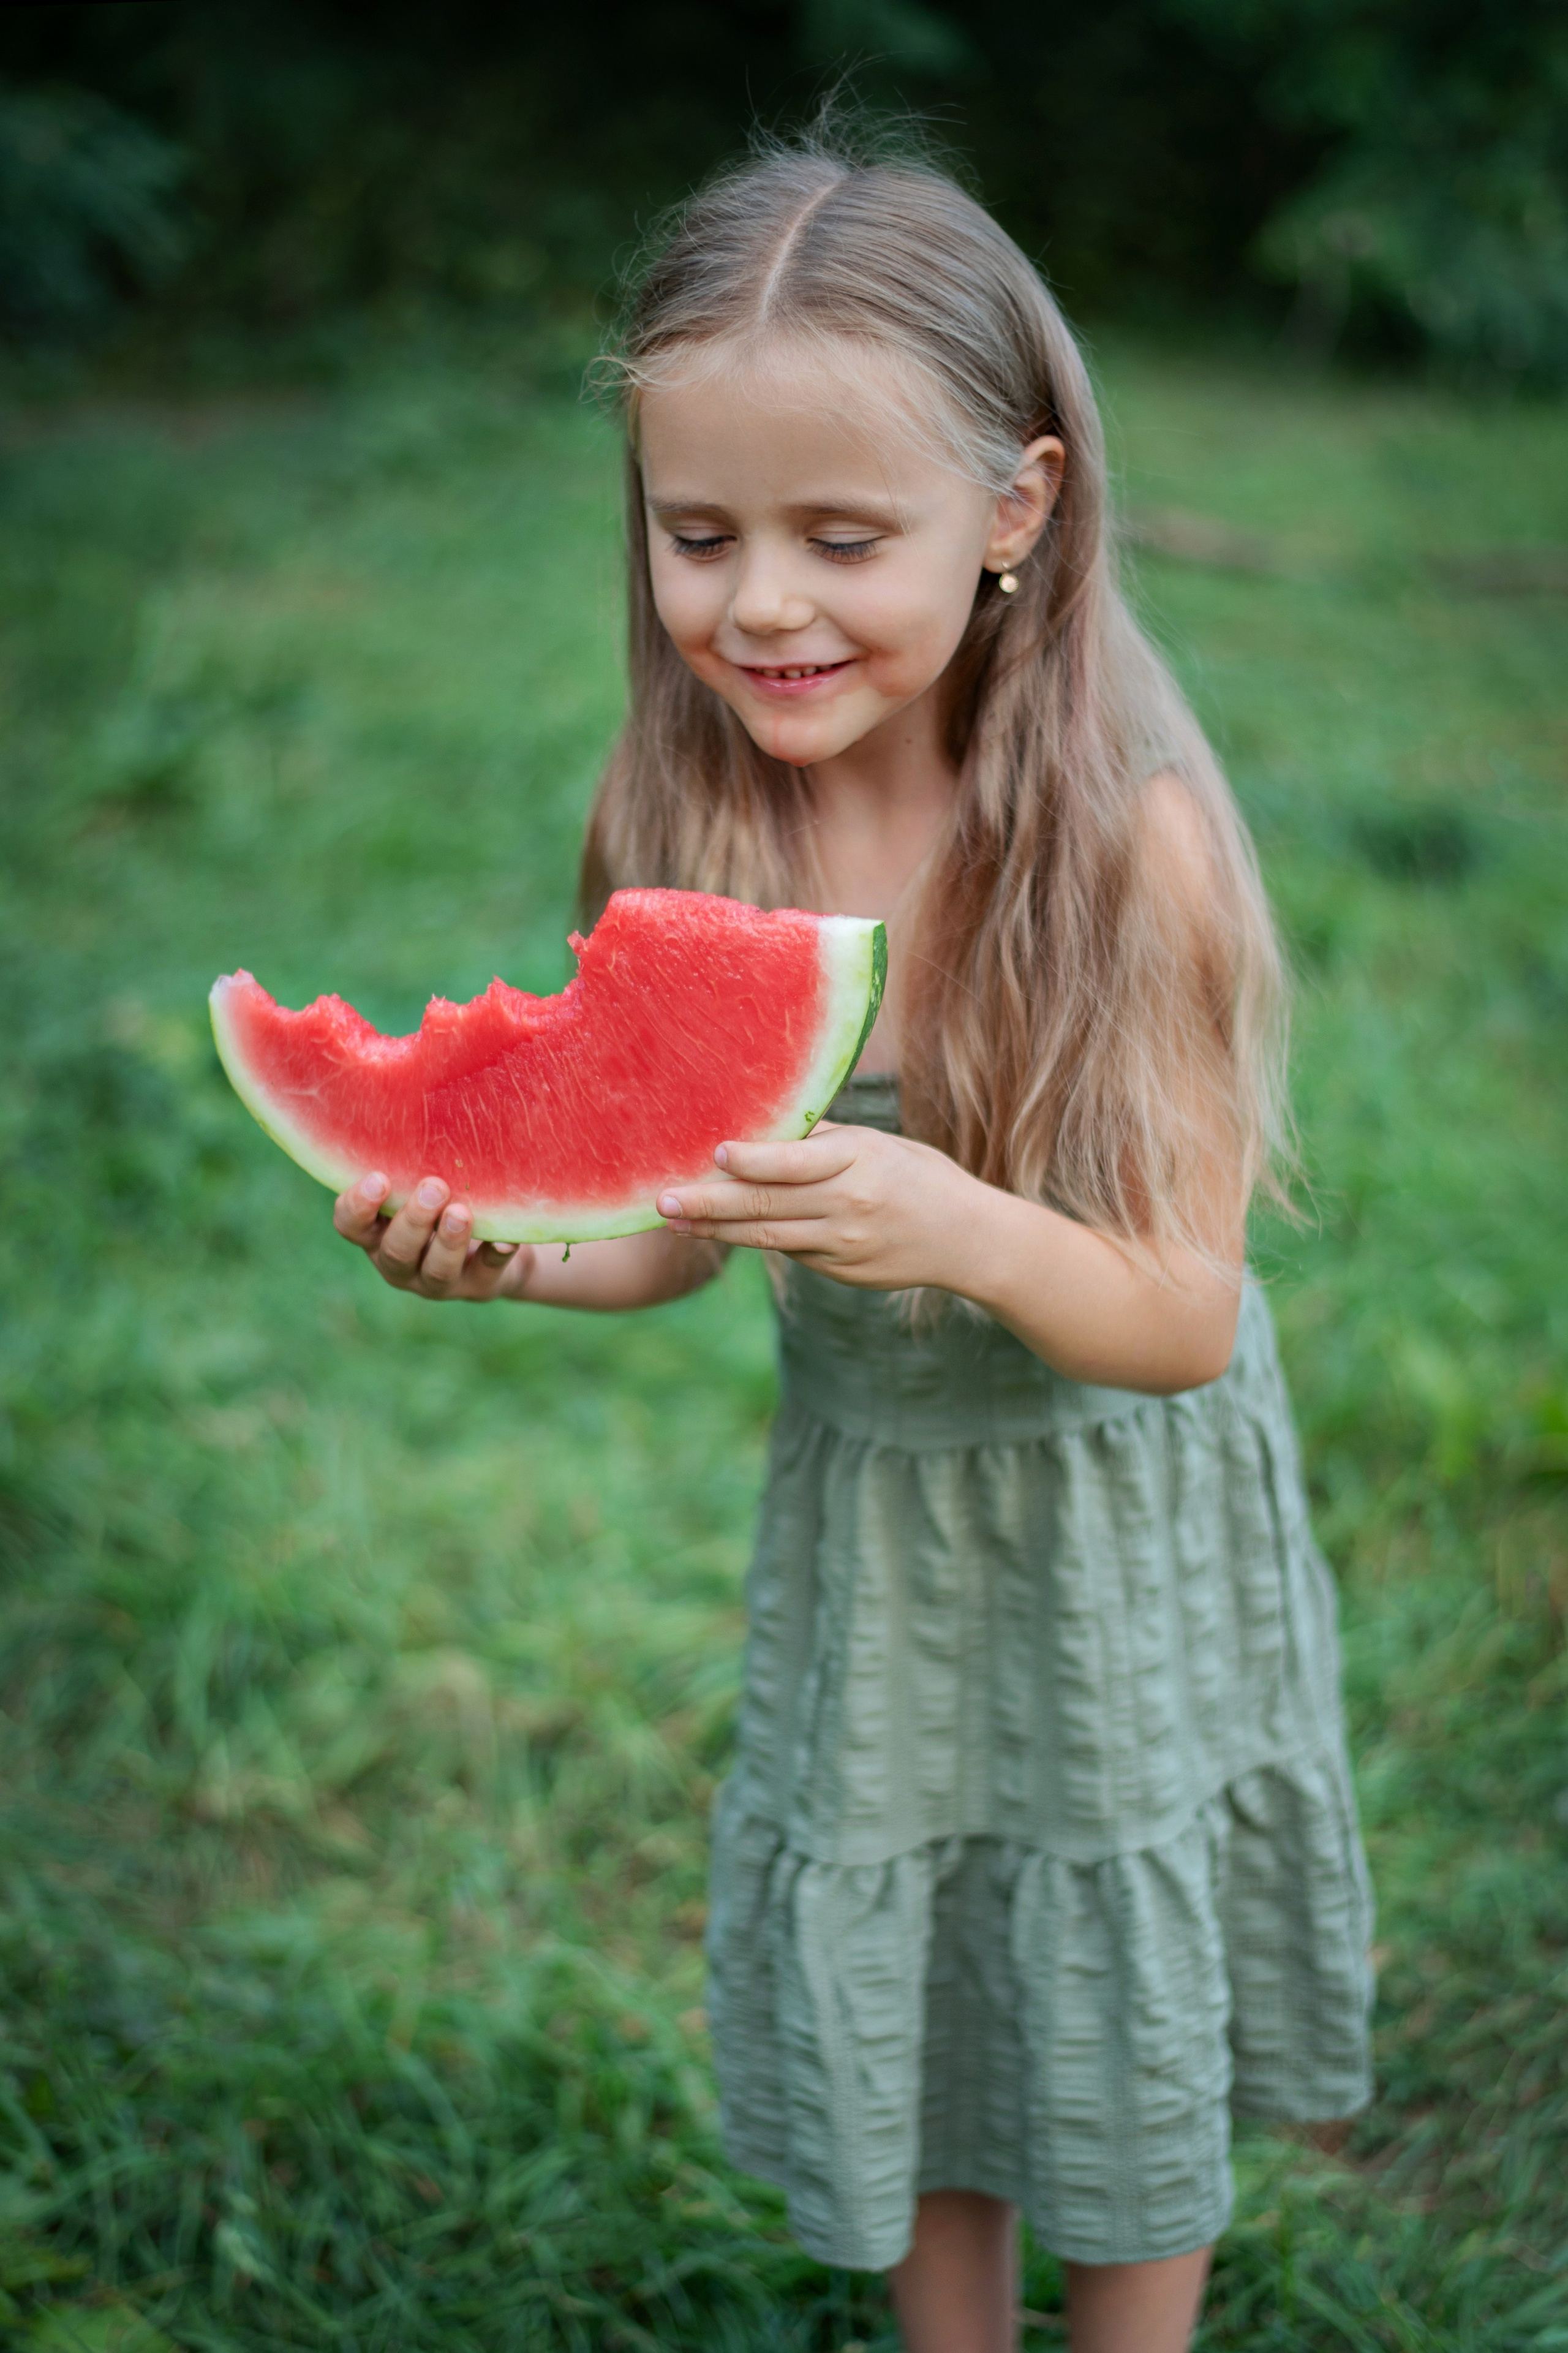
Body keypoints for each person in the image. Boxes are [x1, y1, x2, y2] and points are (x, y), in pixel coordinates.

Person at [331, 123, 1374, 2353]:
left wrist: (952, 1216)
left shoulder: (1132, 853)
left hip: (1115, 1512)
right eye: (699, 534)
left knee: (1107, 1947)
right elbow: (671, 1234)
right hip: (876, 1526)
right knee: (922, 1966)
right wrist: (503, 1250)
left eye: (840, 536)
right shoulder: (677, 821)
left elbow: (1181, 1315)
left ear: (1014, 514)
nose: (763, 603)